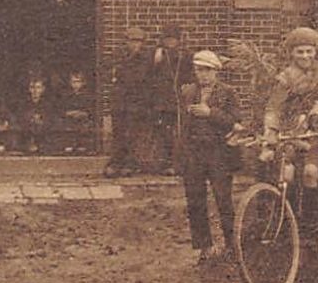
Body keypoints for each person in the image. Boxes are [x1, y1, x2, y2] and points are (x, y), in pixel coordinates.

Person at [259, 27, 318, 261]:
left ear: (316, 51)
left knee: (310, 173)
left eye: (309, 51)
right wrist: (270, 133)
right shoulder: (286, 78)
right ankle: (289, 225)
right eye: (299, 52)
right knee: (287, 174)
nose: (305, 56)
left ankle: (311, 231)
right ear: (292, 53)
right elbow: (273, 107)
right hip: (293, 132)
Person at [179, 50, 244, 263]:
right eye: (199, 70)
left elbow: (236, 122)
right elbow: (182, 126)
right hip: (194, 154)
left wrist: (210, 114)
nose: (203, 75)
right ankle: (204, 247)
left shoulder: (228, 92)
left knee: (223, 200)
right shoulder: (188, 92)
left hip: (219, 154)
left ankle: (232, 245)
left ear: (216, 71)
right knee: (196, 200)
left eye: (207, 70)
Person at [104, 27, 153, 177]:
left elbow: (140, 77)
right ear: (126, 42)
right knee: (118, 133)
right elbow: (113, 72)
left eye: (138, 41)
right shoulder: (118, 55)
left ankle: (130, 164)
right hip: (120, 101)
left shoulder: (146, 58)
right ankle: (115, 163)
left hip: (137, 102)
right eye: (131, 41)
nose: (134, 45)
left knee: (133, 134)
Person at [149, 24, 194, 175]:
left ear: (178, 40)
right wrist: (156, 58)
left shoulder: (185, 56)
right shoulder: (158, 55)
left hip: (179, 100)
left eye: (173, 40)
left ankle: (179, 165)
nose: (170, 43)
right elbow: (150, 75)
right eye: (167, 39)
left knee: (180, 133)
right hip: (162, 101)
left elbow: (191, 76)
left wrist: (187, 90)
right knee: (164, 133)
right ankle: (165, 163)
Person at [54, 70, 96, 155]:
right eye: (73, 82)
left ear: (83, 83)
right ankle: (68, 144)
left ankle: (83, 145)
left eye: (78, 82)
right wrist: (69, 113)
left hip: (83, 119)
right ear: (70, 83)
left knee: (85, 125)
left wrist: (83, 113)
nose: (76, 84)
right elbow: (61, 109)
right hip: (69, 119)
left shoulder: (88, 96)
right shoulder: (66, 96)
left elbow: (91, 110)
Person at [15, 76, 54, 154]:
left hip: (44, 136)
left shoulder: (48, 105)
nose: (35, 91)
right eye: (32, 87)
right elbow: (19, 120)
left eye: (38, 87)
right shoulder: (23, 104)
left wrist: (41, 121)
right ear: (29, 89)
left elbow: (51, 121)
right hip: (26, 135)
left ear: (43, 89)